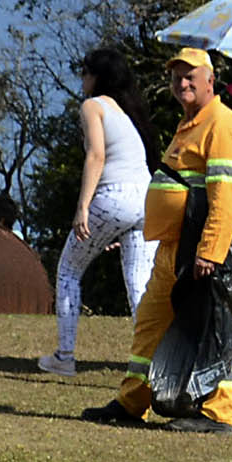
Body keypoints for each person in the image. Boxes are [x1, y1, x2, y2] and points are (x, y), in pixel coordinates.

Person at [81, 49, 232, 431]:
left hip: (200, 250)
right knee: (150, 325)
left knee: (208, 327)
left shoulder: (223, 124)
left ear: (211, 79)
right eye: (176, 77)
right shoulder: (189, 123)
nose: (182, 83)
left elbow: (227, 197)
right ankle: (131, 401)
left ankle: (216, 413)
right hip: (173, 248)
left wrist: (210, 252)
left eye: (190, 76)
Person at [40, 45, 156, 376]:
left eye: (85, 72)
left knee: (68, 271)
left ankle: (65, 356)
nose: (82, 79)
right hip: (145, 201)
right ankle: (151, 360)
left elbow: (96, 156)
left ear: (96, 77)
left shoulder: (93, 107)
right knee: (139, 284)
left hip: (113, 196)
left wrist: (83, 208)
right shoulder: (127, 111)